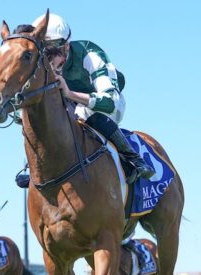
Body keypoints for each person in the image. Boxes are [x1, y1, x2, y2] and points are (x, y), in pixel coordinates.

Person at [16, 13, 154, 187]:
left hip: (107, 104)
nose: (48, 59)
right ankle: (39, 169)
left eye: (51, 52)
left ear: (66, 46)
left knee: (82, 112)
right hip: (72, 107)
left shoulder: (90, 55)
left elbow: (110, 102)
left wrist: (69, 93)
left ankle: (132, 158)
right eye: (43, 51)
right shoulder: (43, 63)